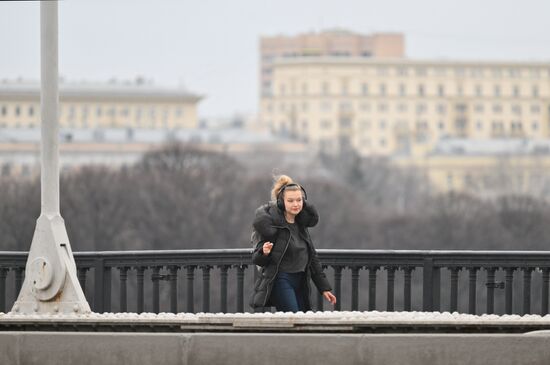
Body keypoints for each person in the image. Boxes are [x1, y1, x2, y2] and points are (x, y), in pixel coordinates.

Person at [249, 174, 337, 312]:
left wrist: (324, 288)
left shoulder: (301, 225)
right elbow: (257, 258)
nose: (296, 204)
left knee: (301, 322)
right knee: (293, 319)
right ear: (281, 202)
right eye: (290, 201)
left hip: (301, 281)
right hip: (281, 280)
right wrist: (264, 252)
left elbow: (312, 258)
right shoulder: (273, 225)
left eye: (299, 200)